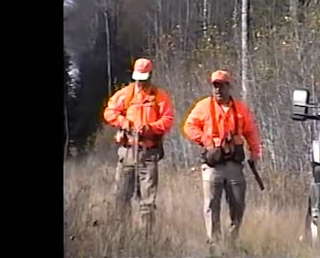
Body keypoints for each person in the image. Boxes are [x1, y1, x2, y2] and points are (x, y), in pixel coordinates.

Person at [182, 70, 262, 246]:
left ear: (228, 86)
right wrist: (206, 140)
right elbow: (189, 126)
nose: (217, 90)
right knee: (211, 204)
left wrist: (255, 153)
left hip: (234, 164)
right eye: (214, 86)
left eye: (221, 86)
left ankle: (232, 240)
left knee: (238, 204)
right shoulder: (203, 106)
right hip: (213, 165)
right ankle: (214, 243)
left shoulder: (240, 108)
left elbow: (251, 132)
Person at [103, 58, 174, 242]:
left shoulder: (160, 97)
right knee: (121, 197)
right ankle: (120, 239)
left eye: (144, 78)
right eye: (138, 78)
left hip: (148, 154)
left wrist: (150, 128)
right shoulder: (125, 94)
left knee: (147, 202)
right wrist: (124, 123)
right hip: (126, 153)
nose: (140, 82)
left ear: (150, 75)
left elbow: (168, 120)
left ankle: (146, 241)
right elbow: (109, 112)